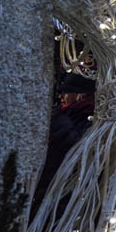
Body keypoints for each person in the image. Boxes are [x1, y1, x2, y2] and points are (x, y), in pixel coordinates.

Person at [35, 74, 97, 206]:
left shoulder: (90, 117)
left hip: (67, 191)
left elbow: (77, 148)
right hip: (51, 185)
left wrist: (59, 121)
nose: (61, 96)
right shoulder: (69, 113)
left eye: (66, 92)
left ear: (80, 94)